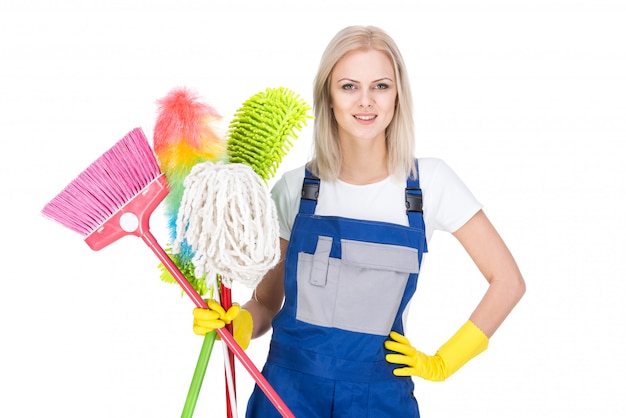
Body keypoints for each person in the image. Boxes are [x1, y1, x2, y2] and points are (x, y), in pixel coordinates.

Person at [192, 25, 525, 417]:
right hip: (287, 393)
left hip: (379, 397)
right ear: (328, 97)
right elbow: (267, 299)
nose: (365, 101)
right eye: (349, 86)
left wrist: (443, 362)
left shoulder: (429, 184)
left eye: (380, 86)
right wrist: (241, 325)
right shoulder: (296, 188)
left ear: (397, 94)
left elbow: (508, 282)